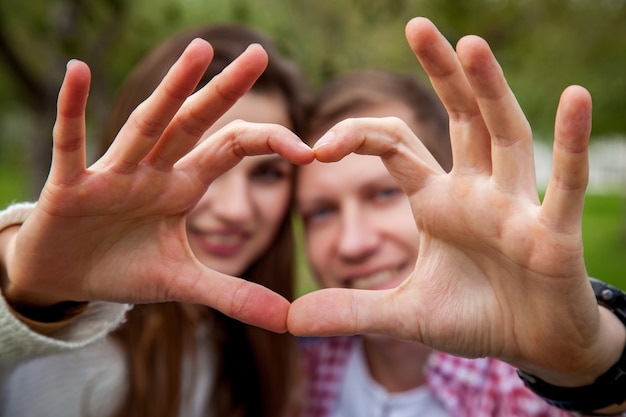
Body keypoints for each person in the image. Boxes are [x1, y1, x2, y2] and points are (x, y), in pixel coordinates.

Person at [288, 17, 626, 416]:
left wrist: (586, 369)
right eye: (321, 211)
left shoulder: (521, 397)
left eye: (383, 193)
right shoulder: (289, 376)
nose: (353, 243)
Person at [0, 24, 311, 417]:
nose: (236, 209)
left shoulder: (269, 352)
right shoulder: (74, 356)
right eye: (199, 162)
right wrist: (24, 289)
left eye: (267, 174)